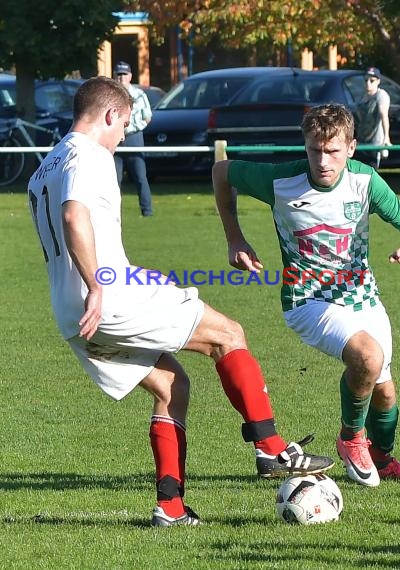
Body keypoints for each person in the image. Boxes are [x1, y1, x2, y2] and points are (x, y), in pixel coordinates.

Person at [27, 77, 334, 528]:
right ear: (110, 115)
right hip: (110, 295)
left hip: (71, 313)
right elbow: (74, 215)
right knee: (228, 335)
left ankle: (170, 508)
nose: (123, 135)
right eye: (126, 124)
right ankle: (272, 448)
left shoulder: (44, 165)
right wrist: (96, 282)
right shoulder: (88, 155)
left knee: (172, 388)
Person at [212, 103, 400, 488]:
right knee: (368, 357)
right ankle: (350, 439)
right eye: (315, 150)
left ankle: (381, 459)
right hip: (307, 301)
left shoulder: (366, 181)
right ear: (306, 146)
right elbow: (221, 171)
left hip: (362, 297)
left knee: (384, 390)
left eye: (332, 151)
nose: (323, 161)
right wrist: (235, 238)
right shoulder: (281, 181)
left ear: (351, 148)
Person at [113, 61, 153, 216]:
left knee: (140, 177)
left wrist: (135, 127)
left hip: (134, 138)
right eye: (118, 74)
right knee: (114, 180)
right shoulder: (111, 96)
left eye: (124, 74)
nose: (121, 77)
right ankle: (113, 213)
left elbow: (147, 117)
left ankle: (147, 211)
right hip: (115, 139)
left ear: (130, 76)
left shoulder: (139, 94)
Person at [355, 66, 391, 169]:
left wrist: (386, 138)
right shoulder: (362, 97)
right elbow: (358, 121)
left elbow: (383, 115)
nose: (368, 84)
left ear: (378, 81)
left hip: (374, 144)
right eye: (366, 80)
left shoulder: (381, 95)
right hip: (360, 143)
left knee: (371, 174)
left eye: (372, 81)